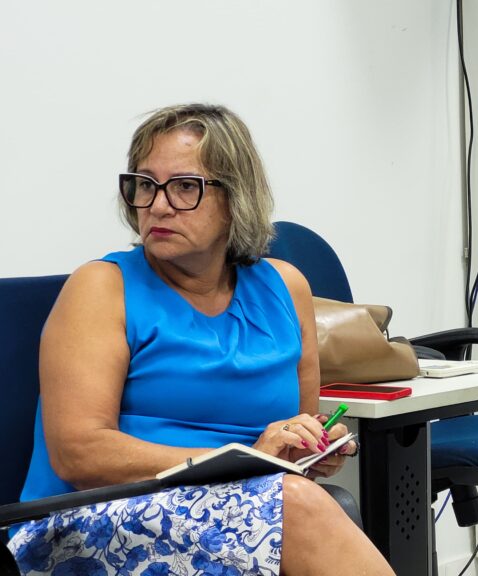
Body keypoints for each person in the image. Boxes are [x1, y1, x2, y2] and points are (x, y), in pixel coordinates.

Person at [6, 104, 395, 576]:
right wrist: (248, 462)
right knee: (298, 504)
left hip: (244, 504)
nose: (157, 205)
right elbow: (78, 454)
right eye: (145, 185)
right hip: (91, 521)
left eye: (185, 187)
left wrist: (306, 446)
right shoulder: (102, 287)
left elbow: (297, 427)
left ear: (236, 198)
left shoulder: (286, 286)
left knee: (298, 499)